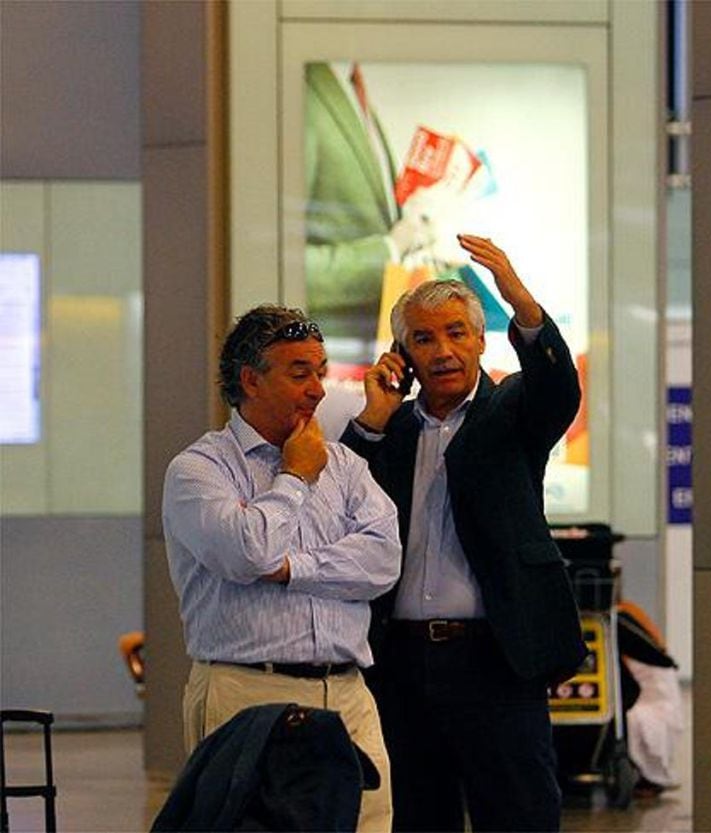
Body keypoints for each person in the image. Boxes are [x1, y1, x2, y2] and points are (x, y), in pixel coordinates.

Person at [339, 234, 586, 833]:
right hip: (399, 662)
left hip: (495, 659)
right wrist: (373, 417)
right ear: (403, 352)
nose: (443, 350)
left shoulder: (513, 411)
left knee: (519, 815)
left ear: (481, 340)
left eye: (456, 333)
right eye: (424, 338)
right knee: (415, 816)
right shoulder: (389, 429)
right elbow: (336, 503)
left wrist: (518, 298)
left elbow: (559, 389)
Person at [162, 304, 402, 833]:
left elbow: (384, 561)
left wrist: (294, 566)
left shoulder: (344, 466)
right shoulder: (199, 471)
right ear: (251, 379)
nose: (318, 388)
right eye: (300, 373)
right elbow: (247, 553)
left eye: (320, 371)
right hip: (247, 692)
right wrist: (293, 477)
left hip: (348, 695)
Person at [305, 61, 432, 355]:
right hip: (327, 360)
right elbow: (273, 263)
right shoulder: (304, 87)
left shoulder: (348, 84)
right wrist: (388, 252)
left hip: (373, 358)